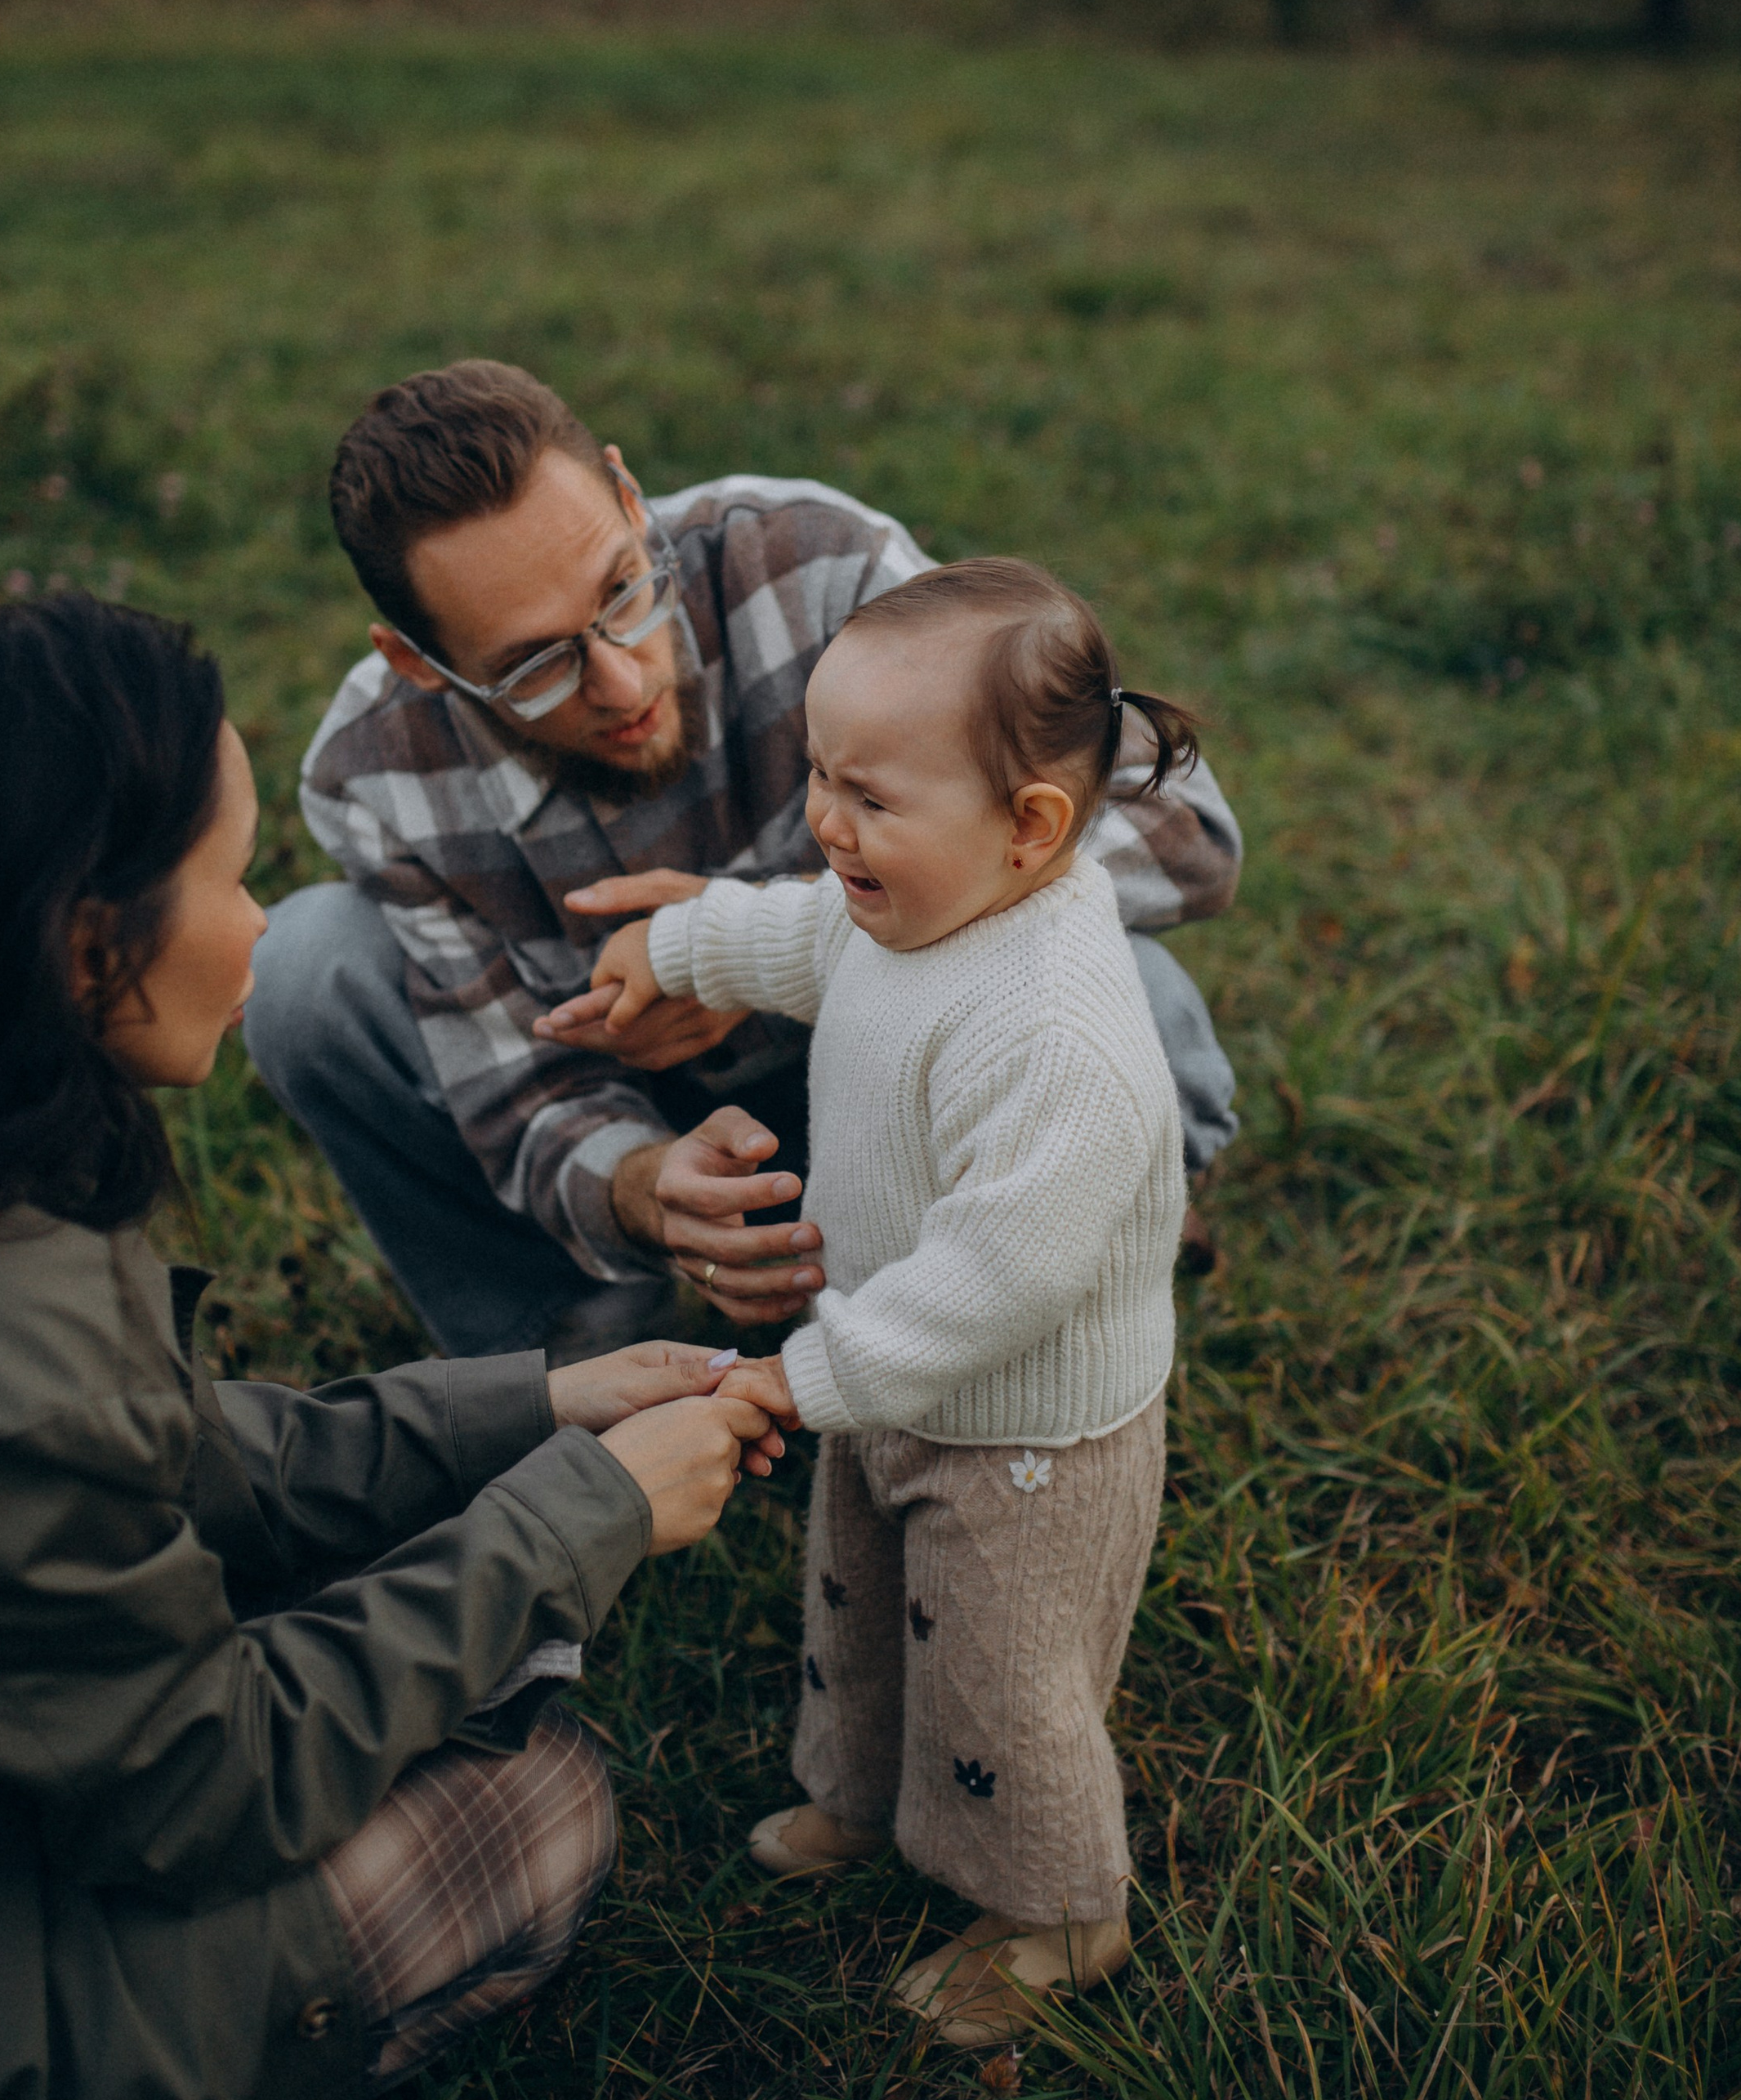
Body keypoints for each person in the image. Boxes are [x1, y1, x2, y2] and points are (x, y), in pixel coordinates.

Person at [0, 594, 790, 2100]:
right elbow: (210, 1776)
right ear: (81, 944)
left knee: (389, 1628)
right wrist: (583, 1515)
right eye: (225, 881)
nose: (254, 926)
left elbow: (161, 1452)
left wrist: (533, 1412)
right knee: (537, 1800)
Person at [245, 360, 1241, 1362]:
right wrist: (646, 1188)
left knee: (1124, 985)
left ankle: (1057, 1252)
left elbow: (1181, 829)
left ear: (631, 500)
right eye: (534, 664)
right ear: (418, 662)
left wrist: (757, 946)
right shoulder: (371, 774)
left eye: (624, 589)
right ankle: (568, 1336)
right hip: (657, 1121)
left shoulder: (816, 568)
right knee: (302, 967)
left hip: (903, 1077)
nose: (622, 677)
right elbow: (512, 1086)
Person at [551, 559, 1188, 2051]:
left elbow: (997, 1281)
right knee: (862, 1604)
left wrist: (808, 1374)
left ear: (1029, 827)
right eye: (821, 778)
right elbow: (796, 939)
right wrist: (682, 942)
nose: (828, 821)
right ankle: (868, 1796)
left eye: (870, 796)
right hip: (885, 1376)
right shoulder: (906, 904)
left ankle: (1058, 1903)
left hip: (1023, 1434)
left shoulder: (1056, 1035)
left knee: (1001, 1674)